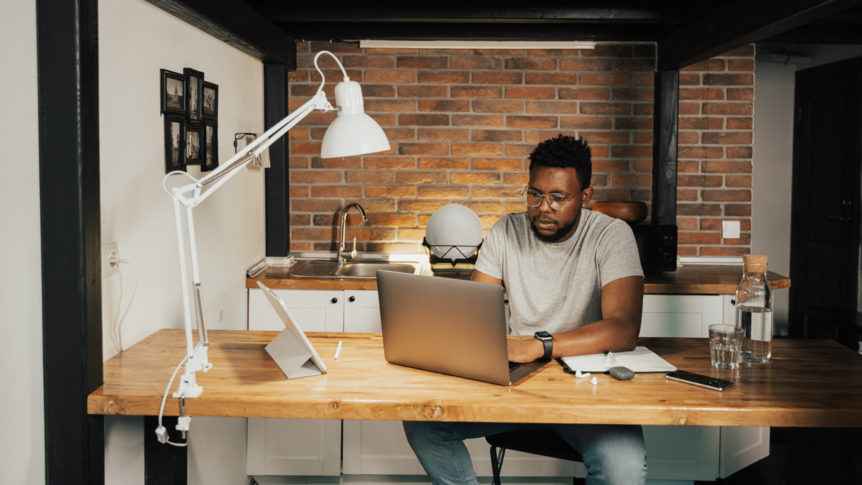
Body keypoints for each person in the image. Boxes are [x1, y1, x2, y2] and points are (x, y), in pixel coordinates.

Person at [402, 134, 647, 485]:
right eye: (535, 194)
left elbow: (623, 330)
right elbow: (473, 320)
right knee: (423, 422)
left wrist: (540, 344)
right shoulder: (505, 231)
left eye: (557, 197)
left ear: (586, 197)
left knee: (623, 471)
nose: (543, 207)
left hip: (589, 391)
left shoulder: (611, 235)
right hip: (515, 385)